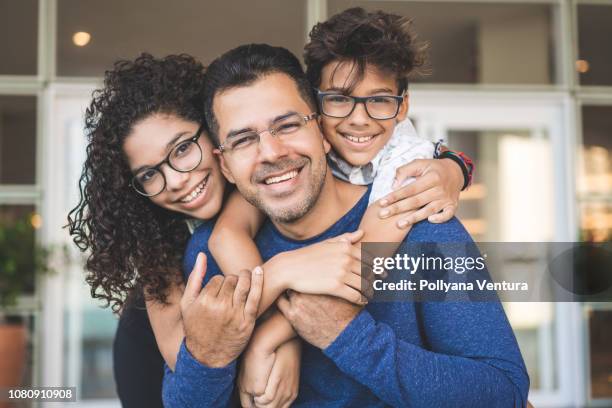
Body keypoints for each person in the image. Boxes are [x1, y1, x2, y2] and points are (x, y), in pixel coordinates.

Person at [66, 52, 466, 406]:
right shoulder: (168, 258)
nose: (176, 180)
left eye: (183, 149)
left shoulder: (263, 192)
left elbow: (394, 152)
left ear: (212, 134)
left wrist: (453, 166)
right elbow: (194, 358)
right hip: (149, 372)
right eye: (150, 174)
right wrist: (281, 279)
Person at [163, 43, 530, 407]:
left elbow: (505, 391)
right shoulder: (207, 256)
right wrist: (209, 354)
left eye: (288, 125)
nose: (272, 153)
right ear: (225, 165)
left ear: (322, 131)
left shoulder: (421, 223)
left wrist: (349, 335)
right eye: (243, 140)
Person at [206, 8, 474, 404]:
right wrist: (280, 273)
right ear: (315, 103)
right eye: (339, 99)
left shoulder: (405, 164)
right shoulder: (292, 152)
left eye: (380, 100)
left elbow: (359, 268)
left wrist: (270, 337)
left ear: (402, 107)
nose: (359, 120)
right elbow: (227, 234)